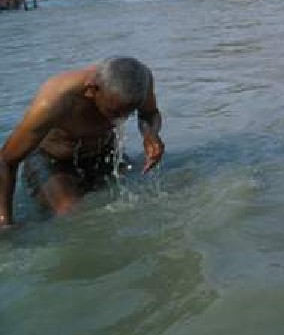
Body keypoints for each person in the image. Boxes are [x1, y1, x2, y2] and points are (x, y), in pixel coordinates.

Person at [0, 57, 164, 226]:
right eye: (114, 112)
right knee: (72, 215)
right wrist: (5, 222)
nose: (121, 119)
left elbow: (150, 114)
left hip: (104, 153)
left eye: (128, 113)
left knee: (144, 193)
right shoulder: (54, 102)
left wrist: (150, 134)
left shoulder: (140, 81)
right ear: (92, 90)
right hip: (53, 160)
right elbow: (6, 159)